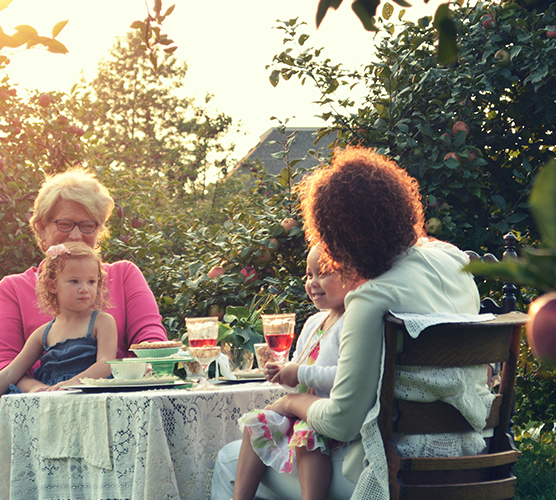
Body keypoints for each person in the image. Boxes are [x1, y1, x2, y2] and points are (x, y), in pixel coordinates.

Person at [211, 146, 493, 500]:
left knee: (227, 460)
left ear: (340, 238)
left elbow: (340, 420)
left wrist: (288, 404)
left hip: (392, 472)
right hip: (471, 456)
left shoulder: (372, 297)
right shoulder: (453, 261)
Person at [0, 242, 118, 500]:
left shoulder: (101, 321)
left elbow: (105, 363)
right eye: (74, 281)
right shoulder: (45, 332)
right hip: (47, 397)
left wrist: (71, 383)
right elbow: (9, 373)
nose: (85, 289)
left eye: (92, 282)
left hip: (81, 396)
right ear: (51, 286)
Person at [0, 167, 167, 394]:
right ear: (42, 228)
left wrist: (124, 380)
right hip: (40, 408)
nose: (75, 235)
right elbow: (5, 364)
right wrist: (41, 391)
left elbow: (151, 342)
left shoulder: (124, 275)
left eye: (87, 225)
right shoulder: (12, 289)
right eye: (64, 224)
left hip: (115, 398)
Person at [233, 245, 361, 500]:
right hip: (300, 410)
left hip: (326, 413)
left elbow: (344, 375)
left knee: (307, 438)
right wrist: (282, 373)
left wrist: (299, 374)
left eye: (323, 273)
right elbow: (298, 370)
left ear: (354, 276)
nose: (312, 282)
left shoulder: (353, 322)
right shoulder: (314, 322)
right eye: (309, 275)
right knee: (255, 423)